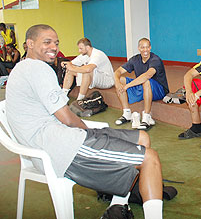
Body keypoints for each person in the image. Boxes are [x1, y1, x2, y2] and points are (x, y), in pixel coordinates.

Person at [6, 24, 164, 219]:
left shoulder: (22, 67)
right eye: (46, 42)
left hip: (57, 140)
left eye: (56, 42)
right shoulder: (37, 69)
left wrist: (88, 130)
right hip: (60, 149)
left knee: (141, 138)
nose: (53, 47)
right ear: (29, 44)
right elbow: (66, 117)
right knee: (150, 158)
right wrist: (88, 131)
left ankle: (117, 205)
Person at [114, 38, 169, 130]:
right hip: (143, 87)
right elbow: (118, 71)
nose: (145, 50)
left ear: (150, 48)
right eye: (143, 47)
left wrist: (127, 86)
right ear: (139, 48)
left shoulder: (155, 60)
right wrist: (117, 82)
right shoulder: (135, 59)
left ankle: (146, 117)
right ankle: (127, 113)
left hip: (158, 90)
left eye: (147, 47)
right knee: (121, 79)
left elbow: (147, 75)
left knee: (146, 81)